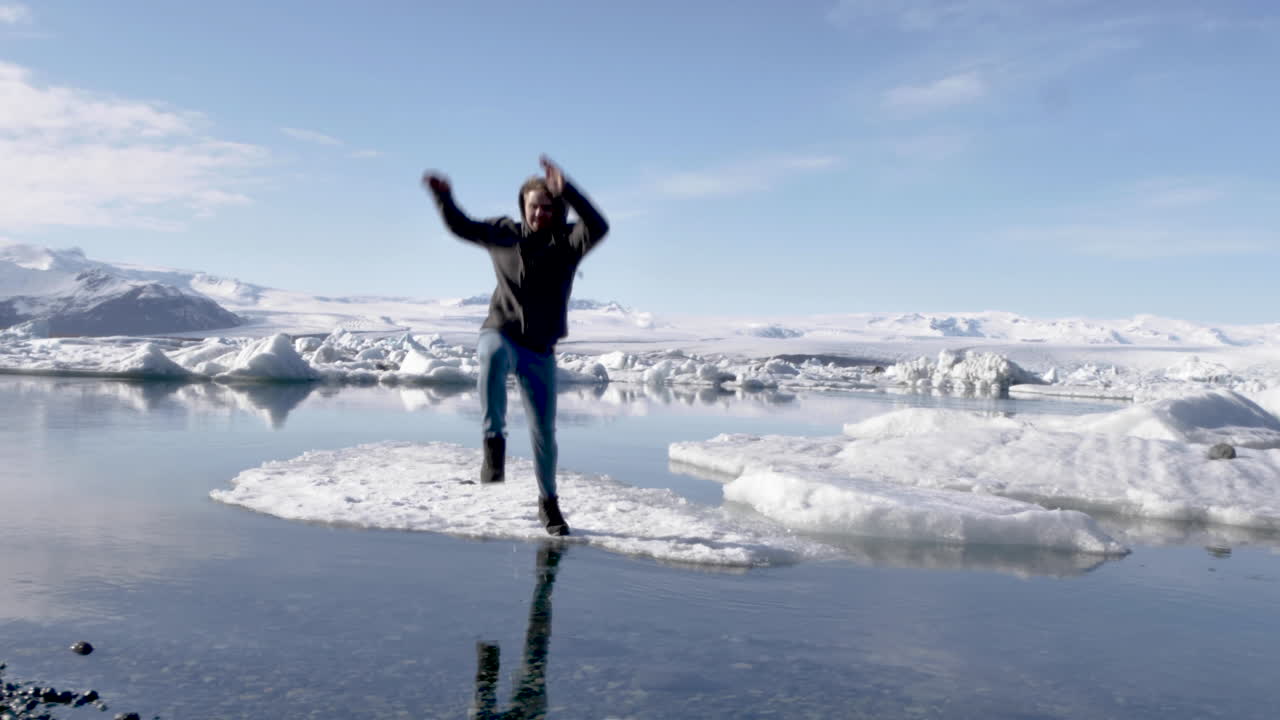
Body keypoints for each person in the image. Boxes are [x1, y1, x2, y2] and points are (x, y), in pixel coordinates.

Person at [422, 156, 609, 536]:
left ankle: (549, 503)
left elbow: (600, 226)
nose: (540, 212)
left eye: (548, 206)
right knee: (490, 353)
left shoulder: (570, 241)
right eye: (534, 206)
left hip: (540, 349)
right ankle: (494, 441)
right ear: (523, 207)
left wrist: (567, 188)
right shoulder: (503, 232)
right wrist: (444, 198)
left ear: (558, 209)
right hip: (502, 331)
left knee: (544, 433)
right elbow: (462, 226)